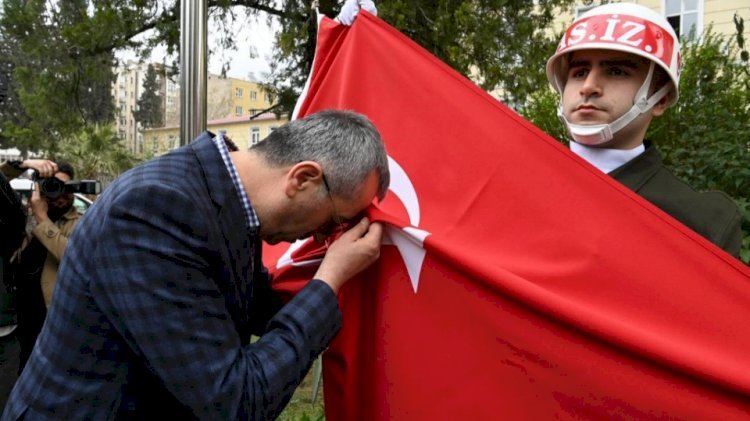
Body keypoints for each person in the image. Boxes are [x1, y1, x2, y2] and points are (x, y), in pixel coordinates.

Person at [2, 109, 390, 420]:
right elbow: (236, 402)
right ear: (303, 178)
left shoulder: (223, 198)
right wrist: (329, 279)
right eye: (334, 222)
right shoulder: (156, 208)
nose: (325, 238)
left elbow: (249, 305)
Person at [545, 3, 742, 256]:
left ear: (660, 99)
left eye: (616, 71)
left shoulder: (704, 220)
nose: (589, 86)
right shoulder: (513, 178)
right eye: (580, 72)